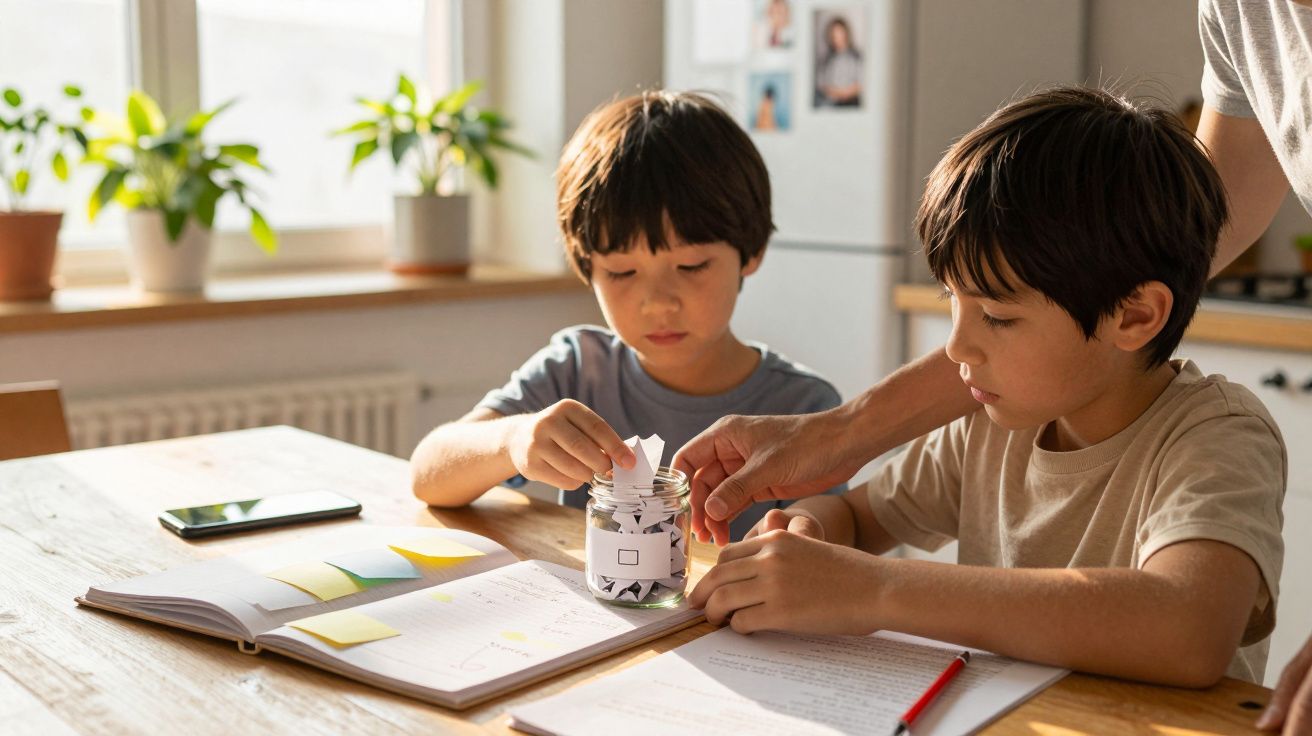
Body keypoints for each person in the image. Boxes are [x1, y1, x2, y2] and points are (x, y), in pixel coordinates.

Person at [677, 0, 1311, 729]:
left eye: (999, 316)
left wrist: (872, 590)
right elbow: (856, 516)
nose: (956, 349)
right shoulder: (994, 423)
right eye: (954, 302)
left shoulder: (1216, 436)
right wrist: (808, 538)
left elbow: (1187, 628)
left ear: (1136, 316)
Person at [410, 90, 842, 541]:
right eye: (622, 272)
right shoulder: (576, 370)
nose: (658, 302)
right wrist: (512, 441)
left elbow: (825, 537)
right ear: (587, 268)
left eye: (691, 266)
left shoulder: (803, 409)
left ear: (750, 251)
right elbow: (428, 472)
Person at [814, 16, 861, 107]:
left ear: (846, 33)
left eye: (839, 33)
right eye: (833, 33)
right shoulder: (825, 59)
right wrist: (834, 93)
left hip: (851, 104)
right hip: (830, 104)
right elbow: (821, 84)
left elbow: (860, 84)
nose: (836, 37)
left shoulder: (856, 57)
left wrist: (844, 94)